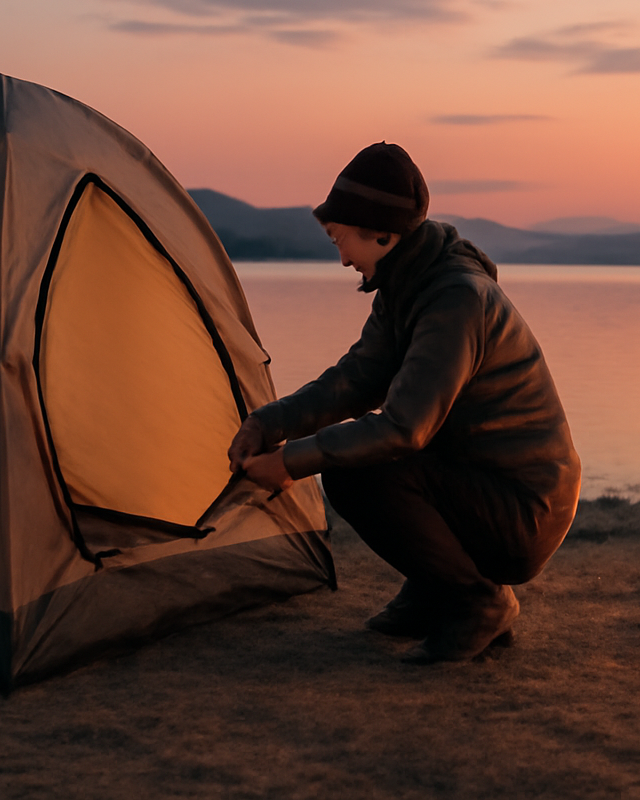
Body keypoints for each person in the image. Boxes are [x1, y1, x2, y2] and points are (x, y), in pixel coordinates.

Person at [227, 142, 582, 663]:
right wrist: (269, 422)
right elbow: (354, 380)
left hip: (525, 507)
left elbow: (404, 429)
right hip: (482, 482)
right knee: (357, 461)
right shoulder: (408, 286)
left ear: (383, 234)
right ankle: (436, 585)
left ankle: (477, 601)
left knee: (355, 471)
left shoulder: (455, 298)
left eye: (341, 240)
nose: (343, 257)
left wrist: (290, 463)